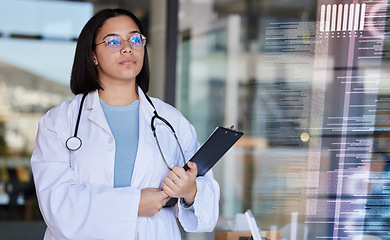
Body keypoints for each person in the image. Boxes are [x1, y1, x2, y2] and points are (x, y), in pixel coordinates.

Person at [30, 8, 220, 240]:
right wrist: (134, 205)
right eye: (113, 41)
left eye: (135, 39)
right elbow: (56, 205)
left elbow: (206, 205)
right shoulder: (59, 122)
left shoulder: (171, 120)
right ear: (93, 55)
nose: (127, 47)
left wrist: (190, 191)